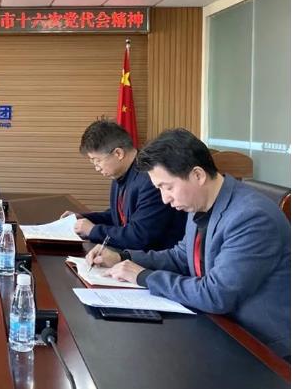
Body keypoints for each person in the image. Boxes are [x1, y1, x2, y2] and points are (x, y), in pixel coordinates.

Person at [87, 128, 290, 358]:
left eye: (168, 187)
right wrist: (123, 257)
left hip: (261, 347)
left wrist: (143, 276)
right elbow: (181, 256)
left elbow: (216, 295)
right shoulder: (200, 202)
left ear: (198, 175)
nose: (165, 199)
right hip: (217, 328)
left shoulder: (251, 217)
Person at [61, 119, 186, 250]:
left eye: (97, 161)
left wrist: (93, 230)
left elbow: (139, 236)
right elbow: (119, 217)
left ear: (118, 153)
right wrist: (83, 218)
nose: (97, 168)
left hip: (155, 256)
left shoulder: (150, 178)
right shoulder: (122, 173)